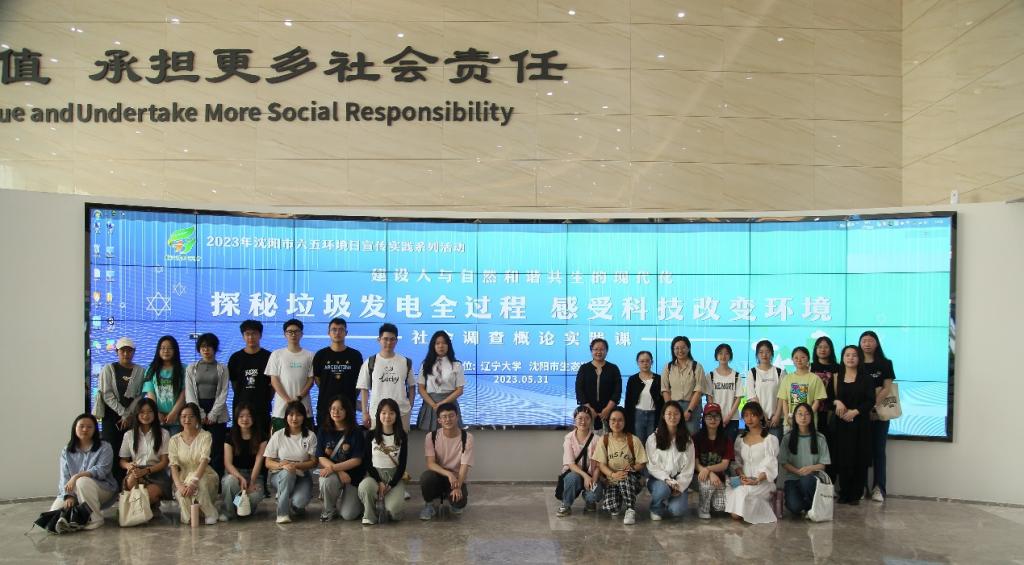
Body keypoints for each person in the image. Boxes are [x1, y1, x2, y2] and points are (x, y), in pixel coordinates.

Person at [50, 413, 117, 530]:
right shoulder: (67, 451)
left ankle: (96, 518)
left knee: (82, 481)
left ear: (95, 430)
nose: (85, 429)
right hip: (74, 491)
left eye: (89, 427)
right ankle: (75, 519)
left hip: (102, 488)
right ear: (75, 428)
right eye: (81, 426)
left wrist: (76, 476)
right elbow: (64, 476)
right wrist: (69, 496)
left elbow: (102, 470)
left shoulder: (105, 447)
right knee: (53, 517)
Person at [95, 336, 146, 486]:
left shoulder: (140, 371)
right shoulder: (108, 369)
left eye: (129, 351)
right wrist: (123, 413)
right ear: (117, 352)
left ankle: (128, 484)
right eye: (122, 351)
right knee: (111, 449)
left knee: (130, 451)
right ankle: (111, 485)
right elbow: (107, 394)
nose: (126, 354)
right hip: (111, 416)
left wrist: (128, 415)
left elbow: (139, 395)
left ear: (134, 352)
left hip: (132, 416)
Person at [831, 345, 874, 505]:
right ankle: (844, 493)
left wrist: (855, 412)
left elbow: (870, 400)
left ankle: (856, 494)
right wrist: (837, 402)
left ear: (859, 358)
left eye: (854, 355)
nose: (850, 358)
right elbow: (828, 399)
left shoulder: (867, 378)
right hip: (841, 425)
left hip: (860, 424)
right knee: (843, 458)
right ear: (842, 358)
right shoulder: (836, 377)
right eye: (847, 355)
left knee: (859, 458)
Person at [725, 401, 779, 524]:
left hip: (762, 482)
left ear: (760, 416)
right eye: (746, 415)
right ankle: (754, 506)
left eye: (753, 415)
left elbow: (770, 465)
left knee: (743, 493)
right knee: (733, 490)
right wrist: (742, 476)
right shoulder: (740, 439)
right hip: (744, 481)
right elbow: (737, 462)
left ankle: (759, 505)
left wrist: (757, 480)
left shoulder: (770, 439)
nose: (749, 419)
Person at [264, 401, 318, 523]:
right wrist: (282, 465)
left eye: (298, 415)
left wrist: (294, 465)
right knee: (288, 473)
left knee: (299, 503)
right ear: (286, 417)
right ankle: (282, 513)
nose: (294, 418)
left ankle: (293, 503)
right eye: (291, 415)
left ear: (304, 417)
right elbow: (268, 462)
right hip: (280, 474)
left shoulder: (311, 436)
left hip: (302, 475)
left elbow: (313, 462)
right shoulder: (278, 435)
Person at [419, 403, 474, 520]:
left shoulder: (467, 437)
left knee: (458, 506)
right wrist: (449, 474)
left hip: (456, 478)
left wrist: (458, 486)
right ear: (439, 420)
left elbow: (464, 465)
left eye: (451, 416)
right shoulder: (431, 436)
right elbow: (430, 463)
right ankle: (429, 504)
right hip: (438, 475)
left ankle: (451, 499)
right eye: (444, 417)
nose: (448, 419)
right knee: (426, 477)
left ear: (457, 417)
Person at [593, 407, 647, 525]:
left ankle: (630, 509)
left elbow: (642, 463)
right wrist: (613, 475)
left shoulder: (633, 440)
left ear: (625, 422)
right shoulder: (604, 440)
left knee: (624, 476)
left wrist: (632, 468)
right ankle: (622, 495)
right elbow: (601, 465)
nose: (616, 423)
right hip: (612, 481)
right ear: (608, 421)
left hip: (631, 480)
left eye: (620, 420)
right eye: (613, 420)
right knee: (612, 508)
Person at [184, 332, 229, 476]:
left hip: (218, 412)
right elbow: (190, 393)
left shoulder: (222, 368)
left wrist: (213, 414)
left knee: (216, 449)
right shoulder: (191, 368)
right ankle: (196, 480)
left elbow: (224, 392)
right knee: (198, 448)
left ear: (215, 348)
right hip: (197, 410)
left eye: (209, 346)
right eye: (203, 347)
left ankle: (216, 482)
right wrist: (200, 414)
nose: (206, 350)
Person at [359, 398, 409, 524]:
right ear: (378, 415)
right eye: (384, 413)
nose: (387, 416)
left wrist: (391, 484)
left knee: (395, 513)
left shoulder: (402, 435)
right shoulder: (370, 435)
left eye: (391, 413)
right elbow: (367, 462)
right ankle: (369, 514)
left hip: (394, 477)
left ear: (396, 415)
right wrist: (379, 481)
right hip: (374, 476)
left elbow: (402, 464)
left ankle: (388, 502)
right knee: (365, 487)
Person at [167, 403, 219, 526]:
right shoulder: (174, 440)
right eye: (184, 416)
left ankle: (210, 513)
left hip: (204, 474)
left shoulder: (205, 436)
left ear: (197, 419)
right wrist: (179, 485)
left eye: (191, 416)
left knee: (200, 484)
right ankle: (192, 515)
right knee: (182, 494)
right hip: (183, 476)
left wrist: (194, 481)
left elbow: (204, 461)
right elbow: (173, 466)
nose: (187, 420)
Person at [357, 323, 416, 430]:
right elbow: (364, 388)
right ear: (379, 339)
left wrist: (410, 406)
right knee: (377, 441)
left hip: (402, 413)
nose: (389, 342)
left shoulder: (405, 362)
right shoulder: (370, 362)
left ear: (396, 341)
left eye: (392, 339)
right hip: (377, 413)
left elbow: (412, 386)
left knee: (401, 441)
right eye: (385, 339)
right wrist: (365, 413)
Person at [118, 398, 171, 516]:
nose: (146, 415)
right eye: (142, 412)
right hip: (136, 470)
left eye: (149, 412)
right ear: (137, 414)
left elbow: (164, 462)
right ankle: (143, 511)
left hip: (156, 472)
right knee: (131, 481)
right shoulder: (129, 435)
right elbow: (122, 461)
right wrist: (129, 465)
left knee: (147, 495)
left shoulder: (164, 434)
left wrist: (146, 471)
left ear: (155, 413)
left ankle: (144, 508)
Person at [317, 395, 365, 522]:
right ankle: (329, 509)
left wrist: (334, 468)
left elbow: (357, 460)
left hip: (352, 477)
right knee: (325, 480)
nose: (336, 412)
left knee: (349, 515)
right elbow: (321, 457)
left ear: (347, 411)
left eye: (340, 409)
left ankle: (359, 502)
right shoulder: (323, 430)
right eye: (333, 408)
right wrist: (338, 471)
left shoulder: (356, 432)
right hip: (334, 473)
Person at [645, 401, 694, 521]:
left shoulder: (687, 440)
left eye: (676, 413)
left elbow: (689, 467)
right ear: (663, 416)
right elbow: (651, 466)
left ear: (681, 416)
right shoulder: (653, 438)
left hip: (678, 481)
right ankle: (656, 508)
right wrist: (667, 480)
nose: (673, 417)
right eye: (669, 413)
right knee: (663, 490)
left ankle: (667, 500)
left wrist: (680, 486)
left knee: (677, 511)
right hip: (659, 480)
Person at [861, 330, 895, 503]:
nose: (867, 343)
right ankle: (861, 486)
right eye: (864, 340)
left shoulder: (885, 363)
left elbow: (887, 387)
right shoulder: (856, 363)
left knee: (879, 451)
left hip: (880, 413)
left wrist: (872, 406)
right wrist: (864, 409)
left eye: (870, 340)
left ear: (876, 343)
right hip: (861, 414)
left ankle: (879, 488)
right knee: (861, 451)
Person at [779, 403, 831, 517]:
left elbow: (823, 464)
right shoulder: (787, 438)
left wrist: (810, 468)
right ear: (794, 417)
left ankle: (812, 506)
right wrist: (798, 472)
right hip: (792, 479)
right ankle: (809, 504)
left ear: (811, 417)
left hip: (813, 479)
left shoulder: (820, 438)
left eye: (807, 414)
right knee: (794, 507)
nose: (803, 417)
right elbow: (784, 462)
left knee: (806, 480)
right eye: (800, 414)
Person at [312, 317, 363, 430]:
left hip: (348, 406)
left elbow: (360, 381)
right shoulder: (320, 355)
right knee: (325, 438)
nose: (337, 332)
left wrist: (352, 396)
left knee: (347, 438)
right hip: (325, 406)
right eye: (334, 329)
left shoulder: (355, 355)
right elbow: (317, 379)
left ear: (346, 333)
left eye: (341, 329)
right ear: (328, 333)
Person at [220, 402, 267, 521]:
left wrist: (251, 482)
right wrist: (240, 478)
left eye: (248, 416)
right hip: (235, 474)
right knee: (229, 482)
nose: (245, 419)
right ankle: (229, 512)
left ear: (254, 418)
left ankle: (238, 506)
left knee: (255, 495)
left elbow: (258, 461)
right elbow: (228, 463)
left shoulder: (262, 437)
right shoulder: (229, 436)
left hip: (254, 475)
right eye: (241, 416)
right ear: (236, 418)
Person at [267, 319, 315, 432]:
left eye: (296, 331)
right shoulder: (276, 354)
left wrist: (299, 398)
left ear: (301, 334)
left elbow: (311, 380)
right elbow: (274, 380)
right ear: (285, 334)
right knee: (279, 441)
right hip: (281, 409)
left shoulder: (310, 355)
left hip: (304, 407)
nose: (293, 334)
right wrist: (288, 400)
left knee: (306, 439)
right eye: (290, 332)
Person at [227, 320, 273, 435]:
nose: (251, 337)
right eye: (247, 334)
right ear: (243, 336)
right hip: (240, 407)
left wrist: (267, 398)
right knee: (240, 438)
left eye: (254, 333)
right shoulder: (235, 358)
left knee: (262, 438)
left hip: (262, 406)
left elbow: (273, 384)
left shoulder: (269, 357)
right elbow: (234, 384)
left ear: (260, 335)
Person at [556, 406, 601, 517]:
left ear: (591, 420)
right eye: (580, 418)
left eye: (587, 418)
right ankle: (566, 504)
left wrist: (593, 480)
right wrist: (585, 477)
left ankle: (590, 501)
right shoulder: (569, 438)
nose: (583, 421)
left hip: (591, 474)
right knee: (573, 478)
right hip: (574, 473)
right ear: (574, 420)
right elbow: (571, 464)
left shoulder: (597, 439)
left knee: (595, 494)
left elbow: (598, 465)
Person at [416, 330, 465, 431]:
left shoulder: (456, 365)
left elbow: (459, 390)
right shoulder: (425, 364)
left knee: (451, 436)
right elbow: (421, 388)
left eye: (444, 343)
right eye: (437, 343)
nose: (441, 346)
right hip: (430, 404)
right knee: (432, 437)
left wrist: (442, 404)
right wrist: (434, 405)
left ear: (448, 345)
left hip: (449, 405)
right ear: (433, 346)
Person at [693, 403, 734, 519]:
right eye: (709, 416)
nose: (713, 419)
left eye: (716, 416)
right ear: (704, 419)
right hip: (699, 476)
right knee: (707, 485)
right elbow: (696, 464)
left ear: (720, 418)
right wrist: (709, 473)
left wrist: (709, 469)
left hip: (718, 477)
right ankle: (703, 508)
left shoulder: (726, 439)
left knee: (721, 506)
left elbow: (725, 464)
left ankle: (710, 498)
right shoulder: (696, 438)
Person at [660, 336, 706, 436]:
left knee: (692, 437)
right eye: (677, 348)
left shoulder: (697, 366)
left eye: (683, 347)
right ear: (673, 350)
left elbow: (699, 390)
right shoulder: (668, 367)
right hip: (674, 406)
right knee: (673, 436)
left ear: (688, 348)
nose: (680, 351)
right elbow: (665, 390)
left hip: (692, 407)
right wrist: (670, 409)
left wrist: (689, 410)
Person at [574, 338, 622, 432]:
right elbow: (579, 390)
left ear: (606, 351)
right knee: (589, 439)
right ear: (591, 351)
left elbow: (617, 391)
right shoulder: (584, 368)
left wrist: (607, 409)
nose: (599, 352)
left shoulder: (613, 368)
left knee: (608, 439)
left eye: (602, 349)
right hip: (587, 413)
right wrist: (589, 409)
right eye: (596, 349)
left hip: (609, 413)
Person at [142, 335, 186, 436]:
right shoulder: (151, 369)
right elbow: (150, 393)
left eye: (170, 348)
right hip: (158, 417)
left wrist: (174, 413)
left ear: (175, 350)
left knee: (175, 444)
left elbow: (184, 393)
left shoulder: (184, 369)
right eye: (162, 348)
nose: (166, 351)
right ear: (158, 350)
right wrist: (156, 412)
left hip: (177, 418)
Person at [776, 346, 827, 432]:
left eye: (803, 357)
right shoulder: (787, 378)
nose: (799, 360)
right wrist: (787, 417)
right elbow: (784, 400)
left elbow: (817, 401)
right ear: (792, 360)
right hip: (790, 422)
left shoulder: (815, 378)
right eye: (796, 358)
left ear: (808, 359)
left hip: (809, 423)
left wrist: (807, 417)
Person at [810, 335, 839, 480]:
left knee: (831, 447)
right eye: (819, 347)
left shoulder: (838, 367)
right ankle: (814, 481)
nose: (822, 350)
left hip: (830, 414)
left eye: (826, 347)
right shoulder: (810, 367)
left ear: (831, 349)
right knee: (814, 447)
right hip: (813, 413)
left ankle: (830, 482)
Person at [745, 340, 785, 440]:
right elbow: (752, 397)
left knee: (775, 448)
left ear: (772, 353)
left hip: (776, 420)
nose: (764, 355)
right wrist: (762, 415)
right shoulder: (752, 372)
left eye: (767, 351)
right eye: (761, 352)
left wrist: (777, 415)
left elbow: (782, 396)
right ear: (757, 355)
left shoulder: (780, 372)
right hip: (758, 420)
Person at [624, 350, 662, 443]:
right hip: (638, 415)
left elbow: (662, 401)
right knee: (638, 442)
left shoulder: (659, 379)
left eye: (647, 361)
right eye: (642, 361)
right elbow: (628, 401)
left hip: (654, 415)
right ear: (637, 363)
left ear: (652, 362)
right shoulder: (633, 379)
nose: (645, 363)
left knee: (652, 442)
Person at [707, 343, 742, 442]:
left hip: (732, 419)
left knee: (730, 446)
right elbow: (709, 397)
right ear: (716, 356)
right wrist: (716, 415)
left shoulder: (736, 376)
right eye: (720, 353)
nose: (723, 356)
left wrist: (728, 417)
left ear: (730, 356)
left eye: (726, 353)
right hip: (714, 418)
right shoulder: (710, 375)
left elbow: (738, 398)